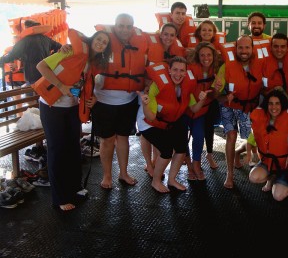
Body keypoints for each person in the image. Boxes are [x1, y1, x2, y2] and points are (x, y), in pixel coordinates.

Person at [35, 29, 111, 211]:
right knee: (57, 150)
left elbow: (86, 89)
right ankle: (59, 197)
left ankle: (75, 187)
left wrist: (93, 99)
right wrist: (60, 85)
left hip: (71, 108)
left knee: (73, 149)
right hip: (52, 106)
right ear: (92, 40)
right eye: (99, 39)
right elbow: (41, 66)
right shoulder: (70, 51)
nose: (100, 43)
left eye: (105, 43)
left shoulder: (93, 65)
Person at [93, 13, 150, 189]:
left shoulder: (140, 43)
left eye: (127, 26)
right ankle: (107, 175)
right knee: (107, 140)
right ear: (115, 25)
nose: (124, 29)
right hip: (103, 102)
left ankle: (123, 173)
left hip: (128, 100)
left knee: (123, 138)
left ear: (132, 28)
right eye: (120, 25)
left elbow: (147, 68)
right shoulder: (104, 42)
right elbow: (86, 60)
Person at [139, 56, 210, 193]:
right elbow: (151, 116)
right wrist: (145, 104)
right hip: (149, 123)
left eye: (182, 71)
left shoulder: (186, 86)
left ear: (186, 72)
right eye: (175, 70)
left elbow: (194, 109)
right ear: (169, 71)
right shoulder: (157, 86)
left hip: (171, 121)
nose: (178, 74)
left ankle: (172, 180)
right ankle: (156, 181)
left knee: (181, 148)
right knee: (166, 150)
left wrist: (201, 100)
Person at [0, 19, 62, 162]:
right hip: (47, 78)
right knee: (45, 107)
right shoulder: (45, 38)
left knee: (34, 109)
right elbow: (59, 46)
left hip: (33, 80)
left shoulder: (25, 41)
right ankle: (46, 141)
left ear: (27, 28)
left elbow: (10, 56)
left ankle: (39, 146)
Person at [214, 35, 263, 189]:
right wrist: (221, 94)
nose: (243, 51)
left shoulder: (260, 65)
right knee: (231, 135)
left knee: (253, 136)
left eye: (247, 47)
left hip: (250, 106)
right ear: (235, 49)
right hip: (229, 105)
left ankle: (238, 153)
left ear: (252, 49)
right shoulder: (226, 66)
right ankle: (229, 174)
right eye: (240, 47)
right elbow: (217, 97)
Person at [139, 22, 185, 178]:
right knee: (146, 130)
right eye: (166, 34)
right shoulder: (150, 48)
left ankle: (155, 160)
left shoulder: (175, 50)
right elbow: (141, 67)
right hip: (146, 92)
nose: (169, 37)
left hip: (161, 92)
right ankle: (148, 164)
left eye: (172, 35)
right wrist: (147, 83)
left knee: (158, 126)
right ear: (160, 34)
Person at [244, 87, 288, 199]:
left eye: (277, 103)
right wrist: (249, 153)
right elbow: (251, 138)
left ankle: (283, 183)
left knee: (278, 196)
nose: (274, 107)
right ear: (266, 104)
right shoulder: (261, 119)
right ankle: (271, 179)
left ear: (283, 103)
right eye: (271, 104)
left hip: (284, 164)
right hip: (267, 161)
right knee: (253, 177)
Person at [184, 42, 221, 180]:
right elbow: (185, 90)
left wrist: (217, 88)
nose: (206, 58)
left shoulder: (215, 71)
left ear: (213, 56)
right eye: (202, 55)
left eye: (209, 55)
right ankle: (189, 167)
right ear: (198, 56)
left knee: (198, 137)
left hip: (201, 111)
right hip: (186, 109)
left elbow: (214, 96)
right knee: (183, 139)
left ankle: (196, 164)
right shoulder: (191, 69)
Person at [261, 32, 288, 102]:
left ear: (287, 48)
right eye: (276, 46)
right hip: (270, 101)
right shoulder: (263, 64)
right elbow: (258, 89)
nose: (279, 50)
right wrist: (271, 91)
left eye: (283, 46)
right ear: (271, 48)